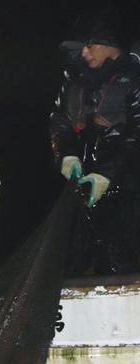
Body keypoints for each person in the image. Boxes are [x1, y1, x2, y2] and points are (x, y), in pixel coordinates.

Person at [50, 18, 140, 275]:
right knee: (78, 259)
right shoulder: (75, 78)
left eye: (89, 46)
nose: (84, 53)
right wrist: (66, 154)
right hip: (84, 186)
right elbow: (60, 121)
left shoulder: (134, 78)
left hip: (129, 188)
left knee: (123, 259)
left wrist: (107, 173)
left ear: (111, 45)